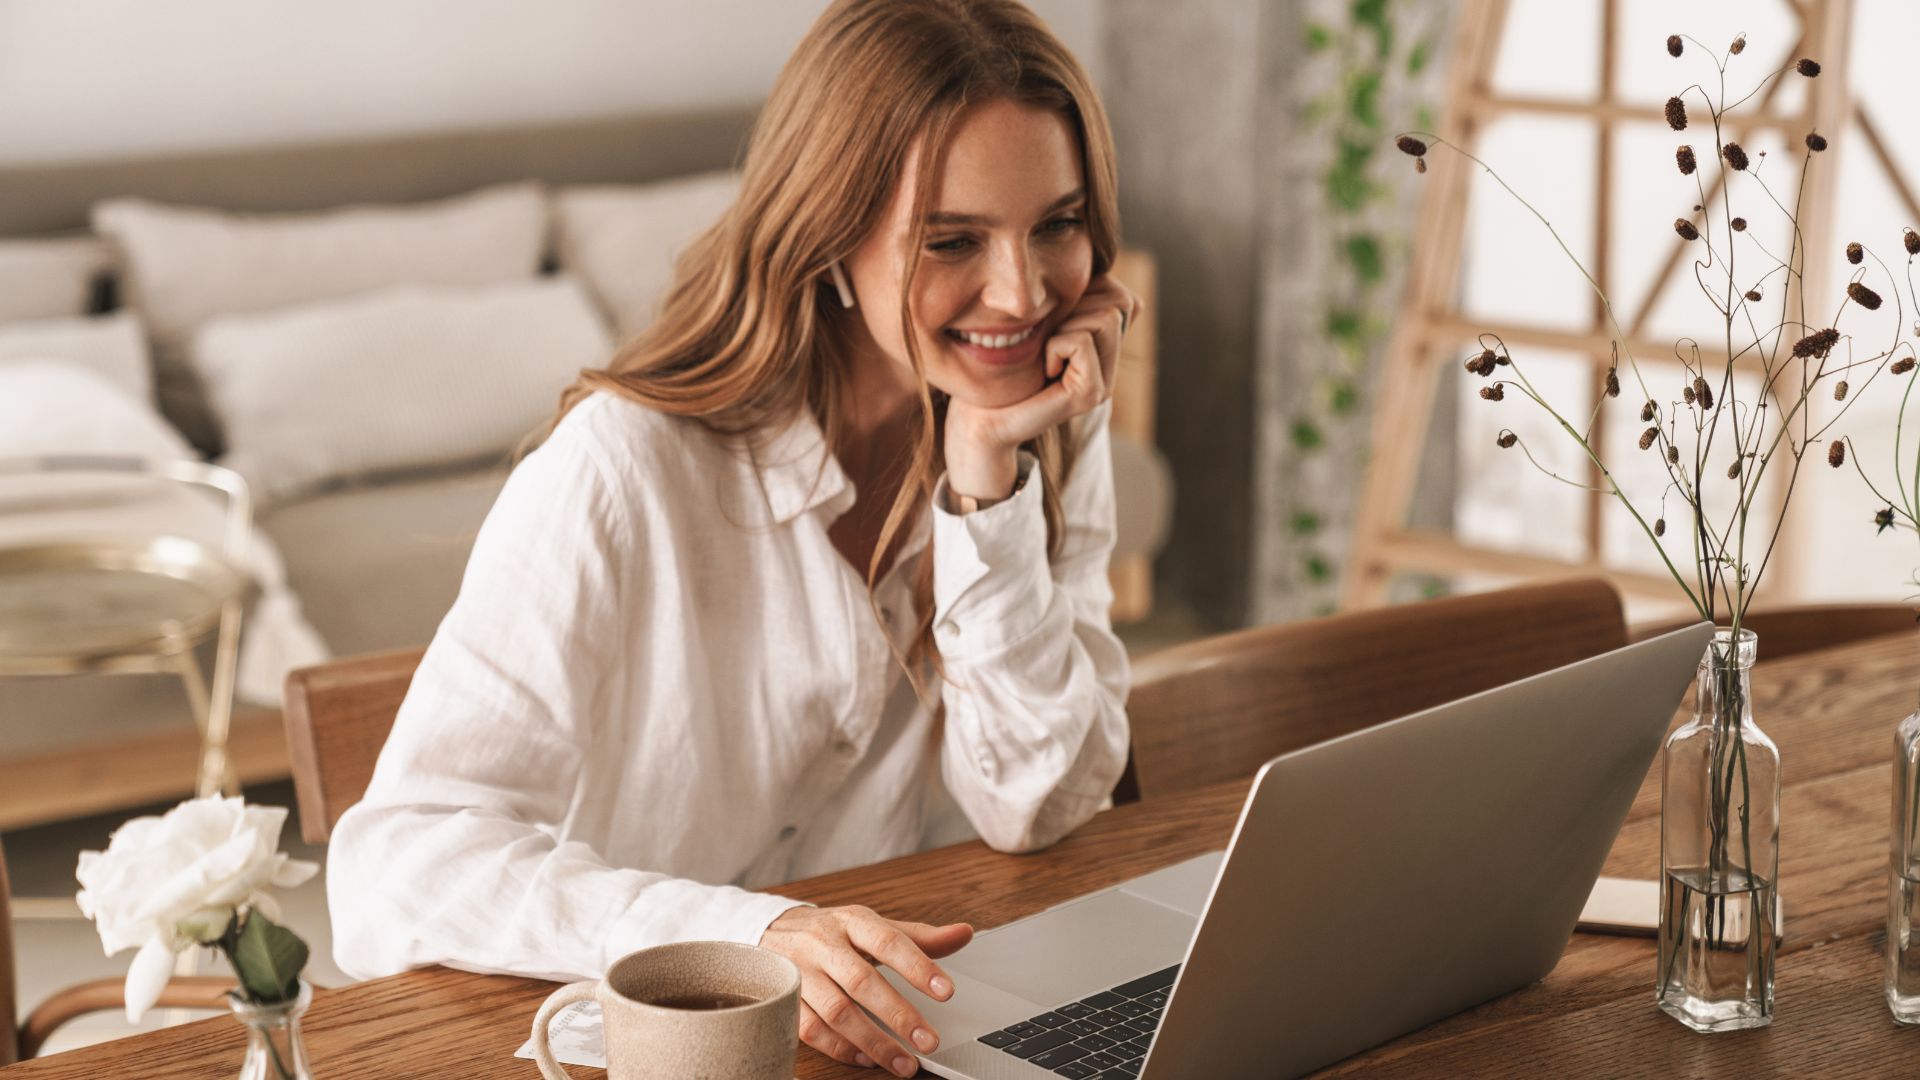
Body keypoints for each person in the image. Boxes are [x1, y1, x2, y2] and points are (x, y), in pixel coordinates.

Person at [327, 1, 1140, 1074]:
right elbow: (394, 865)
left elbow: (1034, 805)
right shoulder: (624, 467)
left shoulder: (1036, 433)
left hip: (879, 1040)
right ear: (827, 238)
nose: (1024, 294)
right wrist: (743, 933)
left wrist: (988, 495)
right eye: (953, 240)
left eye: (1056, 225)